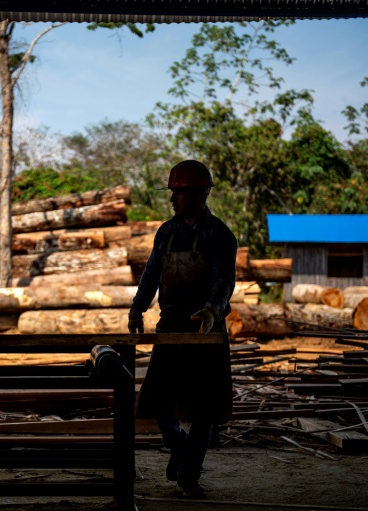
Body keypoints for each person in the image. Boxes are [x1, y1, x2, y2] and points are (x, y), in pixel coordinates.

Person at [128, 160, 237, 498]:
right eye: (172, 192)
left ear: (200, 193)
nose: (173, 198)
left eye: (179, 192)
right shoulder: (166, 232)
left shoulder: (218, 234)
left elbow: (224, 281)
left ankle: (189, 475)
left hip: (206, 332)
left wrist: (211, 311)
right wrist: (138, 306)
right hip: (170, 328)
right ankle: (180, 448)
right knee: (159, 402)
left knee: (204, 409)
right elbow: (151, 274)